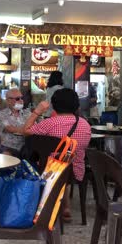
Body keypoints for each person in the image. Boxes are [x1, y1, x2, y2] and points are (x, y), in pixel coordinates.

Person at [24, 88, 91, 222]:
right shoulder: (85, 124)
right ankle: (65, 205)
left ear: (54, 105)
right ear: (76, 105)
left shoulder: (49, 123)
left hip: (49, 172)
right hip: (75, 173)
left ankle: (39, 206)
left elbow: (25, 131)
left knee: (34, 160)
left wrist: (37, 111)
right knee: (66, 162)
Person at [0, 89, 31, 157]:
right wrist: (27, 130)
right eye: (18, 99)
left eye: (22, 98)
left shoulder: (27, 113)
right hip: (9, 147)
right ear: (8, 101)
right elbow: (10, 129)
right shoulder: (2, 114)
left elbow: (35, 128)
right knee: (6, 155)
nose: (21, 101)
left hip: (26, 147)